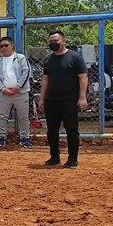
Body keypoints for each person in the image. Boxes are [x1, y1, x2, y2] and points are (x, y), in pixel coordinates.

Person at [39, 30, 88, 168]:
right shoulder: (48, 59)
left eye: (56, 41)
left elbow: (83, 77)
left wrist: (82, 97)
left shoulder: (75, 57)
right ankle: (54, 157)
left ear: (63, 41)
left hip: (69, 100)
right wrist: (42, 99)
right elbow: (45, 79)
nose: (53, 43)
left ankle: (73, 159)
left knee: (71, 129)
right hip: (52, 100)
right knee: (51, 130)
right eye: (51, 41)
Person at [0, 36, 32, 148]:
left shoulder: (20, 58)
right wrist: (4, 89)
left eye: (6, 45)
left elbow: (26, 72)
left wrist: (18, 86)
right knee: (2, 116)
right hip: (5, 94)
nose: (4, 48)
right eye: (1, 46)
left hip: (20, 93)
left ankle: (25, 138)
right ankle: (1, 137)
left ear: (12, 46)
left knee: (23, 117)